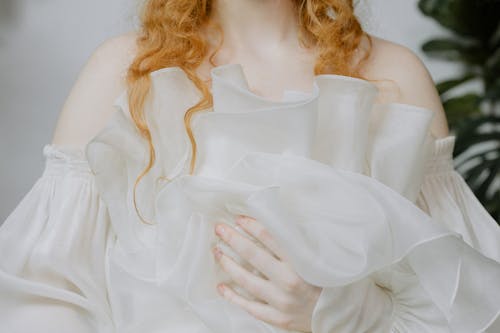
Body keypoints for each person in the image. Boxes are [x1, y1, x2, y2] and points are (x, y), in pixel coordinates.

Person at [1, 0, 499, 332]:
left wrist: (349, 315)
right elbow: (45, 300)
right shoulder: (122, 74)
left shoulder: (393, 79)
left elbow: (464, 304)